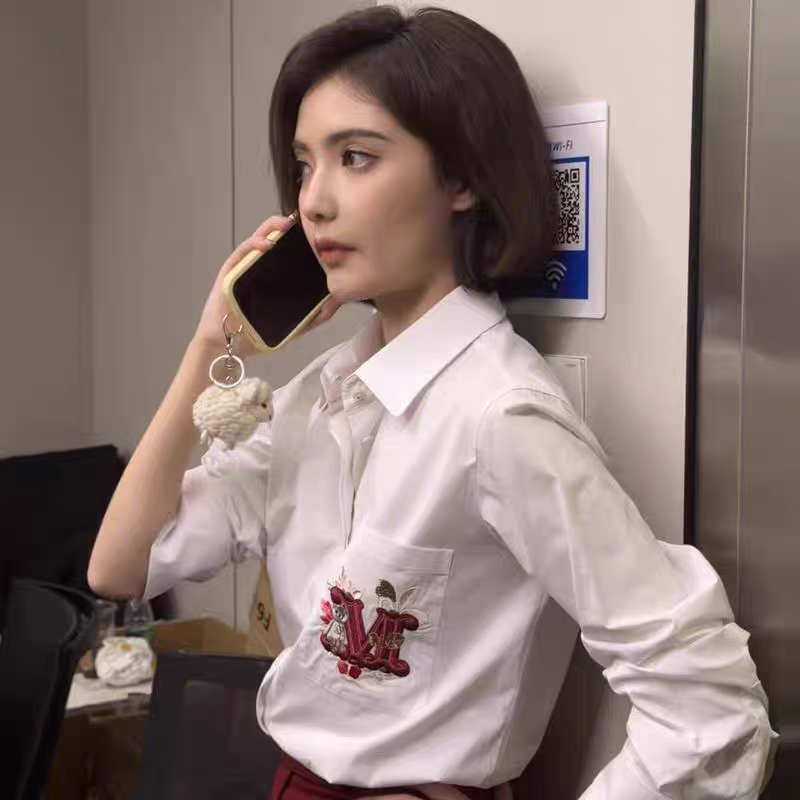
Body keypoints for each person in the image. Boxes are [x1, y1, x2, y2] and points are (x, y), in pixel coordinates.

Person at [88, 6, 777, 799]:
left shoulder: (498, 415)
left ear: (460, 179)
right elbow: (122, 567)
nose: (314, 202)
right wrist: (210, 345)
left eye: (356, 157)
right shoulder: (319, 399)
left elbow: (709, 705)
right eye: (305, 165)